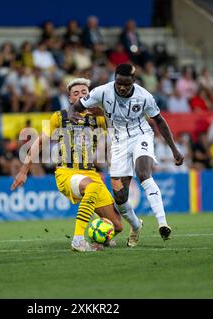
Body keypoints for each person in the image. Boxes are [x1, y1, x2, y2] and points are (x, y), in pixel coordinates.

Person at [69, 63, 184, 246]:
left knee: (144, 174)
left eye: (126, 84)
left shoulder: (144, 96)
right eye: (119, 83)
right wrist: (72, 113)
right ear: (114, 79)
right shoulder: (102, 92)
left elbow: (160, 121)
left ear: (134, 81)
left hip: (141, 135)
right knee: (120, 197)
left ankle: (163, 223)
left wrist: (174, 149)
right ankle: (136, 226)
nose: (122, 87)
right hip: (118, 143)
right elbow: (77, 106)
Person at [11, 78, 123, 252]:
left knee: (117, 227)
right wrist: (23, 170)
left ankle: (97, 241)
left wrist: (103, 111)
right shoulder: (59, 117)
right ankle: (78, 240)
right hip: (67, 172)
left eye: (84, 92)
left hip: (89, 173)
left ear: (91, 95)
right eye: (75, 93)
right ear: (70, 99)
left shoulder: (98, 118)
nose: (80, 96)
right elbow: (39, 142)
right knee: (92, 188)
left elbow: (121, 123)